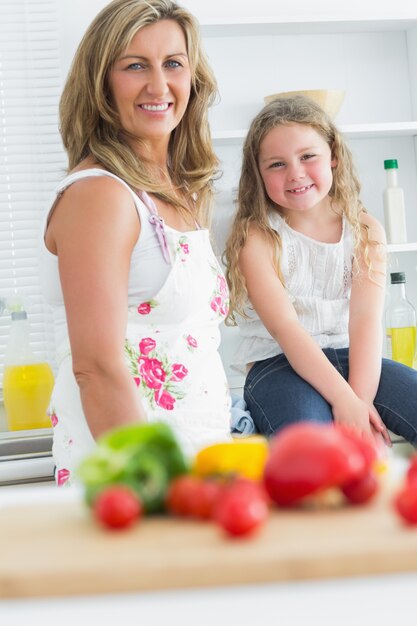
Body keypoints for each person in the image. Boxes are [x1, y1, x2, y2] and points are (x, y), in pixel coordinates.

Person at [39, 0, 232, 486]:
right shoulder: (100, 195)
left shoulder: (177, 193)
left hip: (196, 461)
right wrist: (156, 488)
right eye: (134, 66)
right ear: (101, 81)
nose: (158, 85)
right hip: (135, 476)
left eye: (173, 64)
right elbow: (97, 369)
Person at [225, 94, 417, 450]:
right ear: (258, 173)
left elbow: (364, 321)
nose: (295, 173)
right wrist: (343, 402)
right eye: (276, 164)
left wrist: (358, 403)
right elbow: (286, 329)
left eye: (308, 156)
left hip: (353, 357)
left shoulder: (365, 229)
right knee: (315, 446)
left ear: (334, 156)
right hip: (278, 364)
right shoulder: (258, 238)